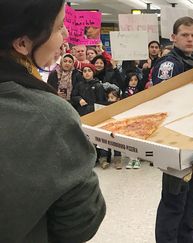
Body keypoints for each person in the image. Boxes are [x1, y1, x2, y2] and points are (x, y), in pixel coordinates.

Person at [0, 0, 106, 241]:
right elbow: (81, 221)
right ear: (23, 43)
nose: (66, 35)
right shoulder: (50, 115)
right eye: (59, 27)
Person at [150, 16, 193, 243]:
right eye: (185, 35)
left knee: (192, 201)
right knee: (174, 202)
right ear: (173, 37)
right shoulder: (170, 64)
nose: (190, 39)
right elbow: (164, 103)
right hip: (176, 140)